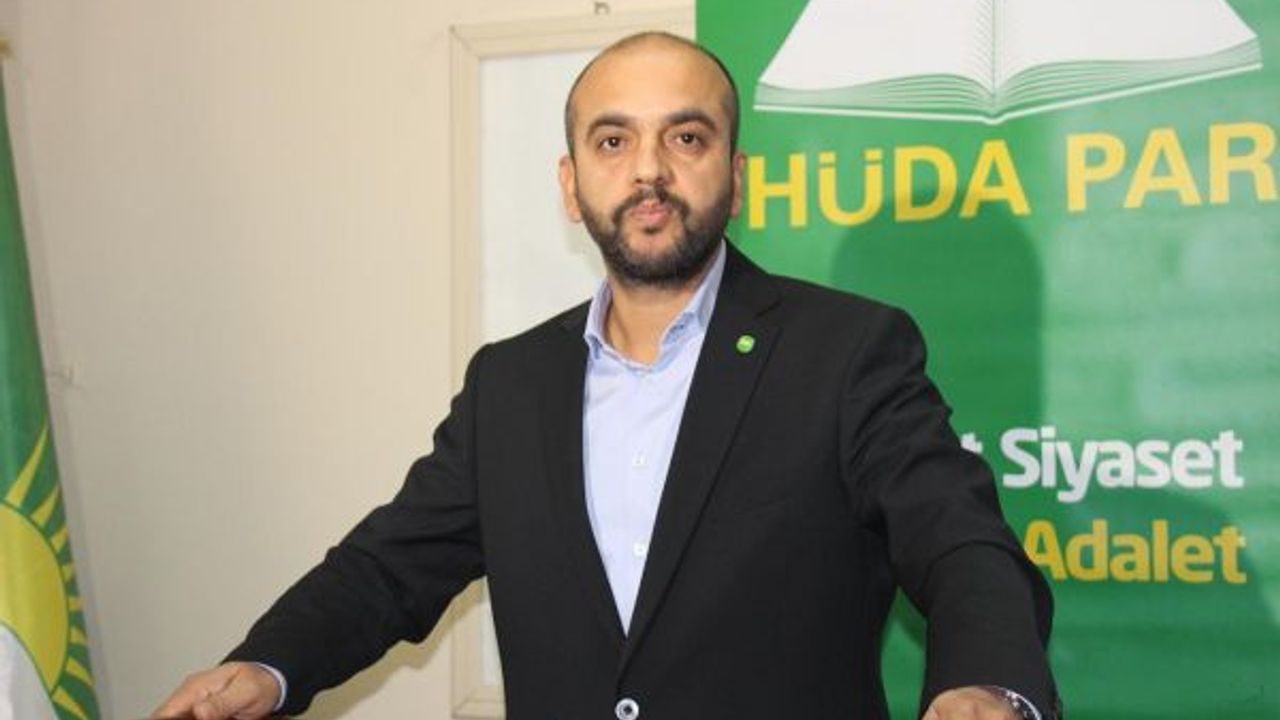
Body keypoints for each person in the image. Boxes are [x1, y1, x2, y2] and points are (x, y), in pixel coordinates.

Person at [154, 32, 1060, 720]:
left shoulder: (848, 352)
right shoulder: (509, 385)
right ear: (571, 181)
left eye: (687, 137)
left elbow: (962, 545)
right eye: (614, 141)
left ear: (736, 177)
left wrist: (988, 684)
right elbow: (387, 569)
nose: (649, 171)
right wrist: (265, 668)